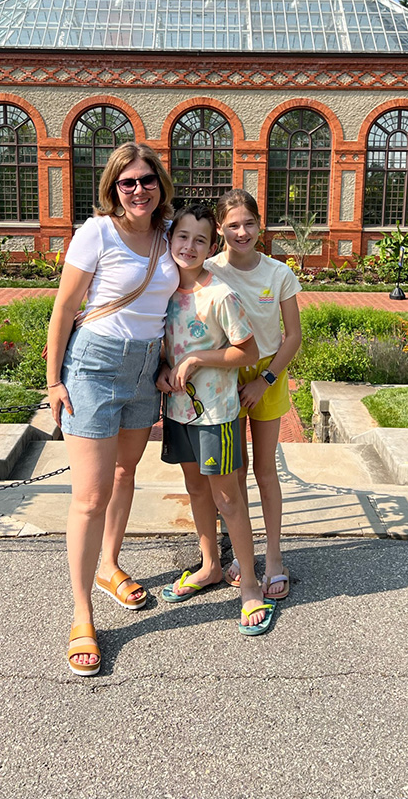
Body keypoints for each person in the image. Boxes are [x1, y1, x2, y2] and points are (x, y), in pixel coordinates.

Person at [46, 142, 179, 676]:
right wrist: (53, 380)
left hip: (146, 369)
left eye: (147, 180)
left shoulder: (169, 237)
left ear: (159, 185)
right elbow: (64, 306)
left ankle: (109, 565)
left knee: (126, 475)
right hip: (94, 367)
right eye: (128, 183)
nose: (139, 190)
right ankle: (81, 613)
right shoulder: (96, 233)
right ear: (112, 188)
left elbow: (179, 301)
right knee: (90, 496)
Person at [157, 202, 274, 635]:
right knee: (195, 489)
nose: (189, 246)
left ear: (211, 246)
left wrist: (198, 360)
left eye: (200, 239)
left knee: (228, 499)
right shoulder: (165, 291)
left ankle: (250, 588)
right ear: (171, 239)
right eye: (182, 236)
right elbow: (164, 346)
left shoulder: (220, 293)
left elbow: (249, 352)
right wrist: (164, 369)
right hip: (179, 411)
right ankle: (209, 565)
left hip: (217, 415)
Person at [206, 189, 302, 600]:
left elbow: (293, 336)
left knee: (265, 471)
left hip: (266, 377)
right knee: (234, 472)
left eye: (248, 223)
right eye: (232, 226)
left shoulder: (278, 273)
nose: (241, 232)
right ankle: (244, 557)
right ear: (220, 229)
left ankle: (275, 557)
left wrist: (264, 379)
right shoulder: (208, 269)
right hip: (223, 378)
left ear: (260, 225)